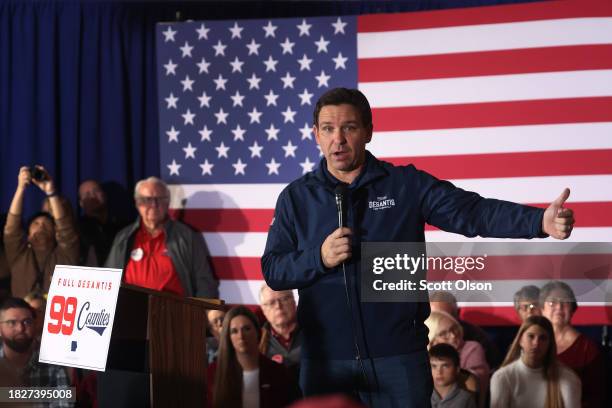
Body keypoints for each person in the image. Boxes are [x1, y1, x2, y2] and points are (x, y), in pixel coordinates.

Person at [261, 87, 575, 406]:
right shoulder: (297, 198)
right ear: (315, 134)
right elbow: (274, 270)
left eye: (349, 128)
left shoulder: (406, 185)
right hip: (326, 364)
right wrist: (319, 257)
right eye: (328, 129)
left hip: (398, 361)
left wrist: (538, 222)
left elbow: (473, 212)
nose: (337, 139)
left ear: (368, 131)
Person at [105, 176, 218, 298]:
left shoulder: (187, 236)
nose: (154, 204)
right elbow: (107, 278)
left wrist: (207, 310)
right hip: (130, 309)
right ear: (137, 203)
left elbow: (204, 281)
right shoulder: (124, 237)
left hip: (174, 312)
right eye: (147, 199)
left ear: (168, 202)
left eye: (160, 199)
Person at [3, 166, 79, 297]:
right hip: (23, 315)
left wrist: (51, 192)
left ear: (55, 233)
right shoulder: (18, 255)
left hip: (54, 316)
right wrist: (20, 188)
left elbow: (65, 229)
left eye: (46, 224)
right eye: (36, 224)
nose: (41, 226)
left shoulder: (65, 254)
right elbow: (12, 228)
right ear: (27, 235)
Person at [209, 306, 299, 408]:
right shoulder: (213, 373)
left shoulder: (278, 372)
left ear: (257, 332)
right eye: (234, 331)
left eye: (246, 329)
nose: (241, 336)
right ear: (227, 337)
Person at [490, 315, 581, 408]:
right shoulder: (502, 377)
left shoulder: (568, 378)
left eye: (543, 338)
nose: (536, 343)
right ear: (520, 340)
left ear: (550, 344)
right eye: (531, 336)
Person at [540, 281, 604, 408]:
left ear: (573, 309)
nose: (559, 307)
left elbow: (597, 397)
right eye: (552, 302)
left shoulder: (588, 348)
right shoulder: (532, 342)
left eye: (565, 302)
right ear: (542, 309)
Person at [0, 297, 72, 406]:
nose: (20, 328)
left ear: (35, 324)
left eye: (27, 321)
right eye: (12, 322)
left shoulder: (54, 365)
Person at [426, 311, 489, 408]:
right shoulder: (425, 356)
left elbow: (471, 382)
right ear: (432, 340)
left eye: (453, 329)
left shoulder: (472, 348)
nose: (453, 335)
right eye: (443, 334)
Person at [429, 290, 500, 369]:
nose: (440, 321)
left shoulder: (477, 339)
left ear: (457, 313)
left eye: (445, 316)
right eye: (435, 316)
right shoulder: (418, 336)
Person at [77, 179, 125, 266]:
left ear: (104, 195)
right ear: (81, 203)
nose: (92, 196)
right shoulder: (75, 229)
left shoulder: (123, 227)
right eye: (86, 194)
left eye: (95, 191)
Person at [258, 283, 302, 374]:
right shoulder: (256, 339)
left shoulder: (315, 332)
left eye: (284, 299)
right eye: (271, 303)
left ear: (294, 302)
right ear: (263, 310)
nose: (278, 306)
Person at [430, 343, 477, 408]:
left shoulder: (466, 399)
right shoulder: (422, 395)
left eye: (445, 366)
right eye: (434, 366)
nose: (439, 372)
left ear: (457, 369)